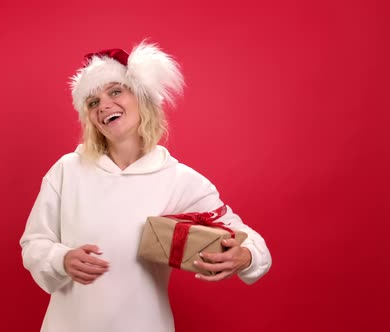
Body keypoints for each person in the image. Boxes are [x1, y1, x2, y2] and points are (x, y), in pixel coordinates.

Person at [19, 41, 272, 332]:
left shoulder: (178, 179)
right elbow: (34, 244)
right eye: (93, 102)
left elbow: (247, 238)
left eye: (115, 91)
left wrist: (246, 255)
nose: (104, 105)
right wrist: (61, 259)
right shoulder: (66, 171)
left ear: (142, 98)